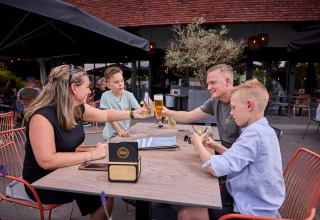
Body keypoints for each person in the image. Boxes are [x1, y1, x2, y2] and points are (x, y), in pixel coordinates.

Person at [23, 64, 147, 219]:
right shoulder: (41, 117)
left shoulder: (75, 107)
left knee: (109, 180)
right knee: (104, 189)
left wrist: (133, 114)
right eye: (88, 86)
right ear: (74, 88)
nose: (90, 91)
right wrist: (91, 155)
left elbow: (106, 115)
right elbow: (47, 161)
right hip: (42, 182)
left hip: (66, 169)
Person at [178, 79, 285, 220]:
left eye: (234, 107)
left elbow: (215, 169)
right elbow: (241, 159)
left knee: (186, 213)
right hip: (260, 203)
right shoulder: (263, 129)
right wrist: (217, 147)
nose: (231, 113)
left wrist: (198, 145)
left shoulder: (254, 135)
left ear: (249, 105)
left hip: (250, 211)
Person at [162, 64, 241, 149]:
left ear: (227, 81)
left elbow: (243, 155)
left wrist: (204, 145)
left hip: (236, 159)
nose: (208, 88)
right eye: (208, 84)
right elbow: (189, 116)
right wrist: (167, 112)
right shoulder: (215, 101)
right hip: (226, 155)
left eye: (213, 83)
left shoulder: (243, 105)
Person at [100, 66, 141, 141]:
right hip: (110, 135)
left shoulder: (129, 95)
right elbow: (109, 118)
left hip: (125, 133)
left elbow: (139, 110)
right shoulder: (105, 96)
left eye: (122, 81)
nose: (120, 84)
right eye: (116, 82)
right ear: (108, 85)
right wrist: (119, 131)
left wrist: (147, 107)